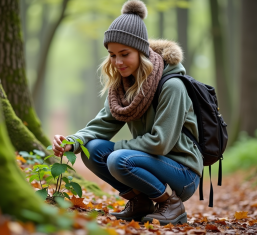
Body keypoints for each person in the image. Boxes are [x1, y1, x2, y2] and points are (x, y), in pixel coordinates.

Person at [53, 0, 202, 225]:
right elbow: (101, 124)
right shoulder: (125, 86)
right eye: (112, 55)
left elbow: (161, 143)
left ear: (141, 51)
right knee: (91, 149)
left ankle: (171, 204)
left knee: (117, 160)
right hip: (150, 161)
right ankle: (140, 201)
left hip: (182, 171)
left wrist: (118, 149)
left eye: (124, 54)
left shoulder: (172, 86)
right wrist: (73, 141)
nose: (117, 62)